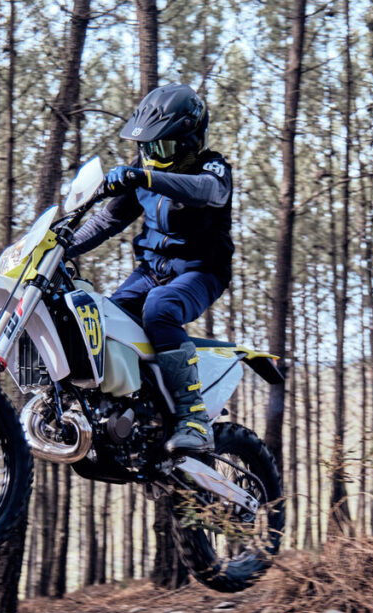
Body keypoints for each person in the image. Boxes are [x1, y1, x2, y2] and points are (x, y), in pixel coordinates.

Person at [68, 83, 233, 457]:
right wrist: (59, 247)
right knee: (106, 320)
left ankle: (194, 419)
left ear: (190, 142)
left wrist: (143, 177)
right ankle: (129, 411)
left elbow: (208, 190)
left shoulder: (213, 167)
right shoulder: (143, 173)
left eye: (163, 147)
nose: (153, 156)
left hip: (200, 271)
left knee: (160, 307)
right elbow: (105, 223)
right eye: (148, 148)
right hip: (151, 269)